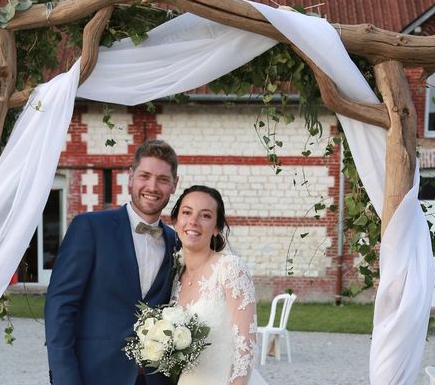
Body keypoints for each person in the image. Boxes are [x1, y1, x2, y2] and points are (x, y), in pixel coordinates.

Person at [45, 140, 180, 385]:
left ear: (174, 184)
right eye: (145, 176)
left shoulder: (175, 242)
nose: (152, 186)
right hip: (94, 376)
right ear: (130, 177)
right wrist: (65, 379)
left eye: (162, 179)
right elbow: (60, 307)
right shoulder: (90, 228)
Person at [170, 185, 268, 385]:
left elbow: (246, 346)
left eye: (205, 216)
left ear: (216, 227)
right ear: (176, 220)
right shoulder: (173, 276)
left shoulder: (230, 268)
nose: (193, 222)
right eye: (187, 212)